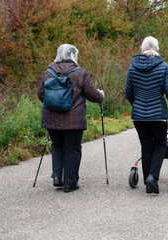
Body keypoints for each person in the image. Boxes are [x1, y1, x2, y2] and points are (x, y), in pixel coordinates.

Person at [37, 44, 105, 193]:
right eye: (77, 55)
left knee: (57, 145)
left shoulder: (48, 72)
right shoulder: (80, 73)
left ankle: (57, 178)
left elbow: (41, 94)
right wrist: (101, 95)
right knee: (72, 149)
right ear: (73, 55)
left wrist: (54, 104)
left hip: (51, 118)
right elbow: (93, 95)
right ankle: (70, 183)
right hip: (73, 120)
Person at [125, 36, 168, 194]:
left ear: (142, 49)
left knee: (146, 146)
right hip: (158, 115)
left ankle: (148, 182)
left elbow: (128, 92)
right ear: (156, 48)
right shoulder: (164, 67)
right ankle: (152, 177)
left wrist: (137, 104)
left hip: (138, 115)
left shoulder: (132, 67)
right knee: (160, 145)